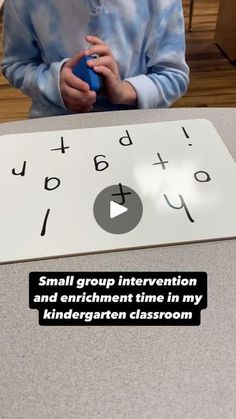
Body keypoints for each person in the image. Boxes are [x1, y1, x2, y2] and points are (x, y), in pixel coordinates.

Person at [1, 0, 189, 118]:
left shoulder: (162, 3)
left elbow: (173, 76)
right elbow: (16, 64)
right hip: (56, 123)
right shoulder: (22, 3)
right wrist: (54, 83)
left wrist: (125, 91)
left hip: (137, 124)